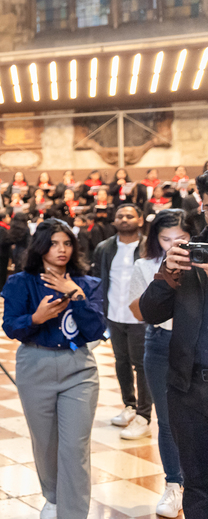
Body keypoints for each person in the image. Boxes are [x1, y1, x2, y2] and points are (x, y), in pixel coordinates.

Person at [1, 219, 105, 519]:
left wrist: (76, 295)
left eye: (67, 243)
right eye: (55, 243)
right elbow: (11, 326)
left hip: (78, 368)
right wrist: (36, 318)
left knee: (75, 447)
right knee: (45, 443)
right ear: (41, 246)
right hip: (35, 365)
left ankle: (73, 514)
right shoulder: (21, 282)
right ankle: (54, 498)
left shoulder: (87, 283)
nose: (62, 249)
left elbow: (96, 330)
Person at [139, 170, 208, 519]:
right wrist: (167, 273)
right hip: (190, 386)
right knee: (196, 486)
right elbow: (151, 312)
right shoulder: (191, 251)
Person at [127, 209, 192, 518]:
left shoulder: (201, 262)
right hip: (160, 341)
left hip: (196, 341)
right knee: (166, 419)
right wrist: (164, 283)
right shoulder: (145, 265)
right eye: (166, 239)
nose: (174, 245)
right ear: (155, 239)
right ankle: (174, 484)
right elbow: (137, 310)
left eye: (181, 238)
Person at [89, 203, 149, 438]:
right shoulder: (104, 248)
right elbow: (97, 280)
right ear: (114, 221)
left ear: (140, 220)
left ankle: (144, 415)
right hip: (114, 314)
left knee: (141, 365)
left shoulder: (148, 247)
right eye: (120, 216)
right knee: (121, 362)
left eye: (130, 216)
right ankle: (129, 406)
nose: (124, 219)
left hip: (141, 317)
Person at [0, 208, 30, 292]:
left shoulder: (13, 228)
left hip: (16, 252)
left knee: (17, 272)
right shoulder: (25, 229)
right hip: (23, 251)